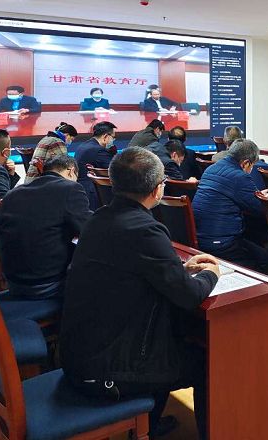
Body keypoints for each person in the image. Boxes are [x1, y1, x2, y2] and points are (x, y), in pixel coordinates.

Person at [60, 147, 220, 439]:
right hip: (106, 370)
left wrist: (178, 269)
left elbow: (133, 271)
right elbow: (189, 296)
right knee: (206, 362)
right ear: (157, 189)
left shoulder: (98, 218)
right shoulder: (145, 230)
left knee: (171, 338)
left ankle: (150, 425)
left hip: (79, 354)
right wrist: (212, 273)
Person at [0, 156, 91, 299]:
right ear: (71, 171)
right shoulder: (70, 188)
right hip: (48, 284)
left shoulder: (12, 194)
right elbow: (88, 231)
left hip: (13, 283)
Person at [192, 139, 268, 273]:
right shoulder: (239, 176)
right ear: (246, 163)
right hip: (222, 244)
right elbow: (259, 209)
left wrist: (257, 195)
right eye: (252, 165)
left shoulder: (211, 169)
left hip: (200, 237)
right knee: (265, 259)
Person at [74, 122, 117, 209]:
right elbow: (115, 169)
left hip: (81, 188)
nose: (113, 140)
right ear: (105, 136)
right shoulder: (98, 150)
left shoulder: (84, 145)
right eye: (113, 137)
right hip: (91, 192)